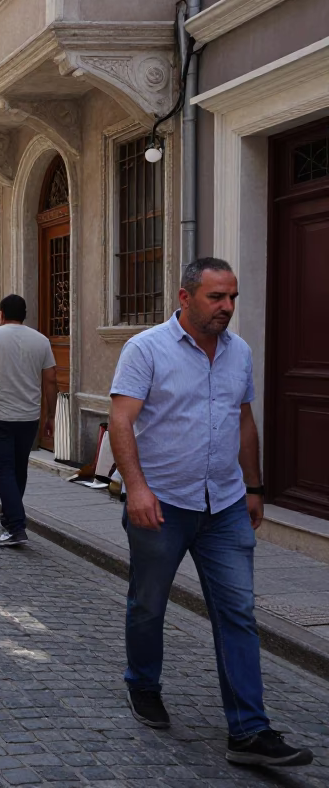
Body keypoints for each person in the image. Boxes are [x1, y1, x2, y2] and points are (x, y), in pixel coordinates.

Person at [109, 258, 313, 767]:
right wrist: (136, 488)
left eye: (232, 298)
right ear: (185, 297)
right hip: (162, 503)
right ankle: (142, 682)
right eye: (216, 297)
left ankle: (248, 731)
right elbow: (120, 420)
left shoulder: (238, 352)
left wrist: (254, 485)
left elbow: (243, 421)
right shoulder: (146, 349)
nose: (227, 308)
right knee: (148, 604)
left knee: (238, 613)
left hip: (223, 505)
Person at [0, 295, 58, 547]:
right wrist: (51, 415)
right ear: (24, 314)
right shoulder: (41, 341)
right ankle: (9, 516)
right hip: (29, 417)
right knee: (18, 467)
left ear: (0, 314)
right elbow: (50, 381)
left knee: (3, 469)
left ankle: (16, 526)